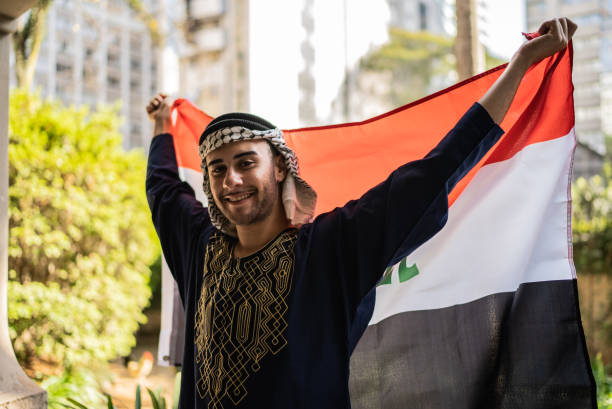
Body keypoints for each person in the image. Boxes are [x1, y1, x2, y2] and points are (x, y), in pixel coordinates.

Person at [146, 18, 576, 409]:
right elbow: (162, 190)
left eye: (245, 163)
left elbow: (435, 171)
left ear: (278, 167)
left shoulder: (331, 249)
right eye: (217, 170)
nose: (230, 181)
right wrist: (163, 128)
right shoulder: (200, 249)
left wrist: (518, 67)